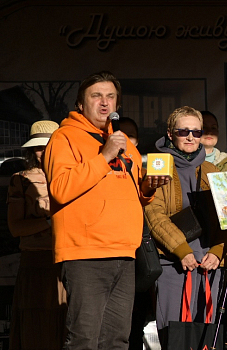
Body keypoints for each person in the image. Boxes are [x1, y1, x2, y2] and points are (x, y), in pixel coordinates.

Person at [43, 71, 169, 349]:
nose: (104, 103)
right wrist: (104, 156)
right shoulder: (64, 138)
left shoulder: (122, 142)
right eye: (96, 96)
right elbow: (60, 189)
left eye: (110, 97)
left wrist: (149, 187)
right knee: (84, 339)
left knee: (117, 340)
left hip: (125, 253)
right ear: (80, 104)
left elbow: (135, 195)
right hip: (86, 253)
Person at [142, 106, 227, 345]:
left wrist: (217, 251)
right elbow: (154, 215)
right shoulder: (158, 167)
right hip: (174, 264)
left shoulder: (212, 170)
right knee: (176, 338)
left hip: (210, 266)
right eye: (183, 131)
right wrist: (182, 250)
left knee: (208, 337)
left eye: (196, 131)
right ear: (171, 134)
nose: (191, 137)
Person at [7, 120, 66, 350]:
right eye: (40, 147)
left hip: (70, 263)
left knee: (69, 329)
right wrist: (49, 221)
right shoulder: (21, 179)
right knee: (36, 331)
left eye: (50, 145)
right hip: (36, 263)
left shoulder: (75, 177)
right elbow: (16, 227)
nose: (44, 152)